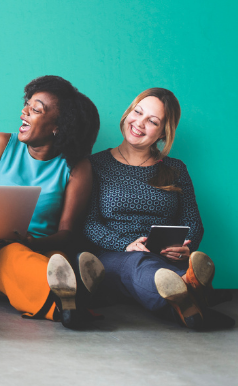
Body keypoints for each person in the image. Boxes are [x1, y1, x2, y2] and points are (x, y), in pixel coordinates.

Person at [84, 88, 233, 330]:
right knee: (138, 265)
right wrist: (126, 244)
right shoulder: (95, 164)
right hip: (116, 255)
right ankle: (189, 299)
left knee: (178, 266)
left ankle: (185, 294)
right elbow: (88, 223)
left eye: (152, 121)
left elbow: (193, 222)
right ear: (128, 113)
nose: (139, 123)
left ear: (164, 132)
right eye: (137, 112)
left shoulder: (175, 168)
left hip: (165, 256)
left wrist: (186, 247)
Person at [0, 75, 103, 329]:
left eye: (35, 109)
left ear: (58, 127)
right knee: (17, 257)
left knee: (54, 261)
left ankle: (70, 296)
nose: (24, 112)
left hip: (46, 249)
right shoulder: (0, 144)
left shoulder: (76, 166)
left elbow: (67, 232)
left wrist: (31, 242)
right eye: (27, 104)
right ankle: (77, 297)